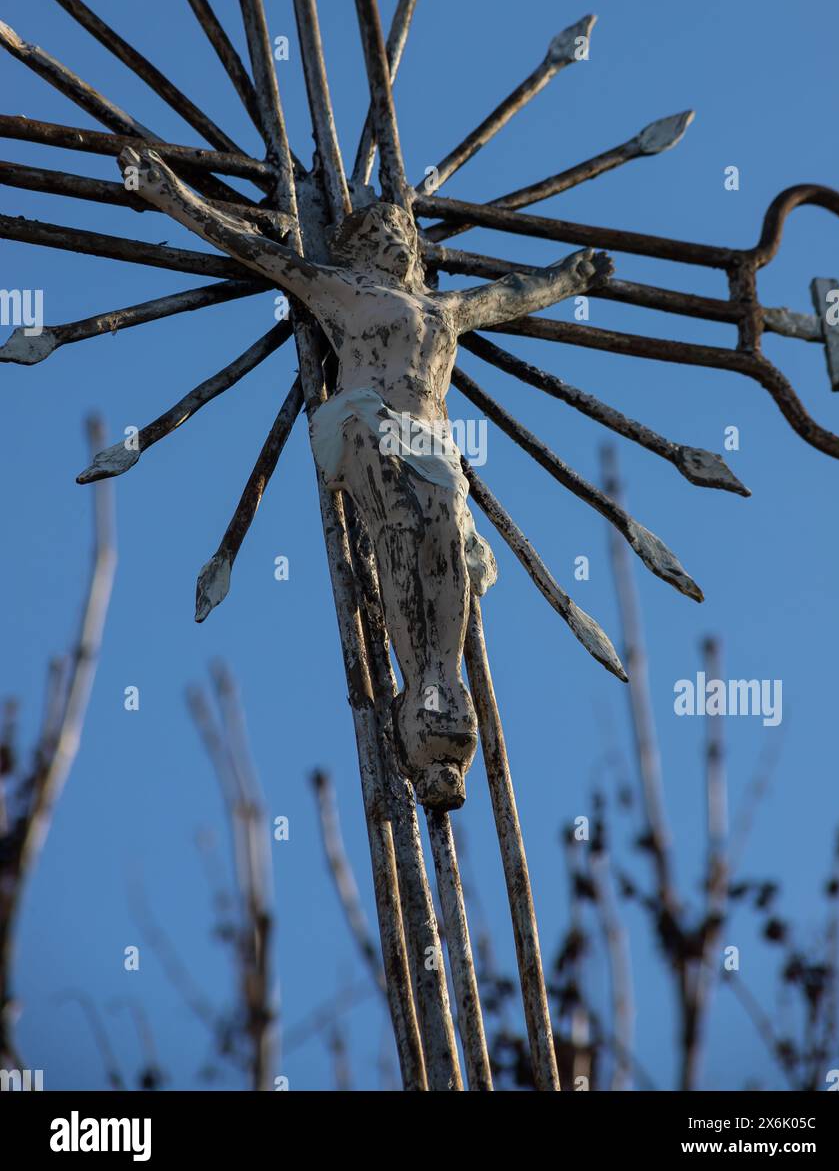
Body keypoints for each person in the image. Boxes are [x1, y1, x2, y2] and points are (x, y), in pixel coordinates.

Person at [126, 150, 611, 808]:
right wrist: (169, 194)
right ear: (355, 249)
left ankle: (439, 694)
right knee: (401, 534)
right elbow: (247, 247)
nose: (395, 246)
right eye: (380, 236)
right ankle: (417, 689)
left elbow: (510, 296)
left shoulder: (445, 307)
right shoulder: (340, 289)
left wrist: (568, 278)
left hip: (432, 440)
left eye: (403, 238)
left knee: (446, 549)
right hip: (366, 419)